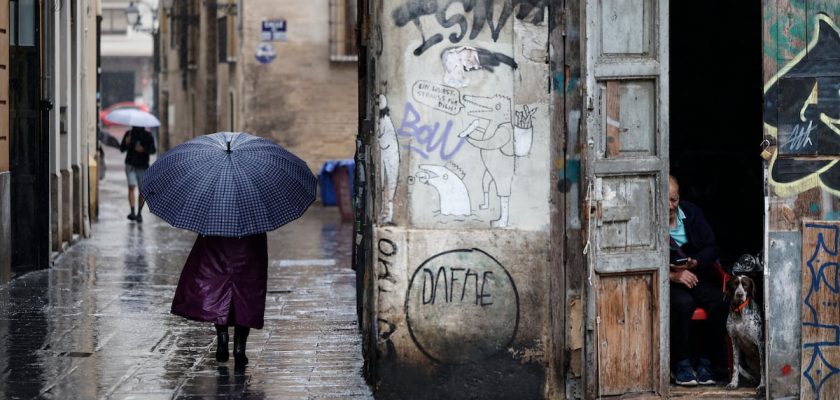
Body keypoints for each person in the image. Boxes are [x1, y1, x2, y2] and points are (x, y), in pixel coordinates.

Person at [171, 234, 268, 369]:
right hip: (249, 246)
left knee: (219, 290)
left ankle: (222, 335)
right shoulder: (255, 218)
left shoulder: (213, 218)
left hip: (217, 245)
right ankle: (239, 348)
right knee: (246, 296)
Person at [668, 175, 728, 387]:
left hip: (696, 272)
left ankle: (705, 361)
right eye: (665, 200)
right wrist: (673, 275)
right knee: (683, 304)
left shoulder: (692, 213)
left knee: (719, 302)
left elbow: (712, 247)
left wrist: (695, 262)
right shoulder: (650, 218)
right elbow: (641, 258)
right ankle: (681, 364)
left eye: (674, 200)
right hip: (669, 280)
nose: (670, 206)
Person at [119, 126, 156, 222]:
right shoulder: (129, 134)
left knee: (142, 190)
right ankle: (132, 211)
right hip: (130, 164)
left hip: (143, 166)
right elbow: (122, 149)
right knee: (131, 186)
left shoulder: (147, 135)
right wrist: (126, 143)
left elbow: (153, 150)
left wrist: (143, 149)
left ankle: (139, 213)